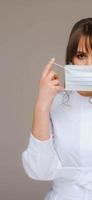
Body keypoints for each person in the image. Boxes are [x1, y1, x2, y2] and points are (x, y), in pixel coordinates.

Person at [22, 18, 92, 200]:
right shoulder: (55, 103)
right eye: (82, 56)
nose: (89, 65)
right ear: (71, 60)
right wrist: (42, 104)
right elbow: (40, 171)